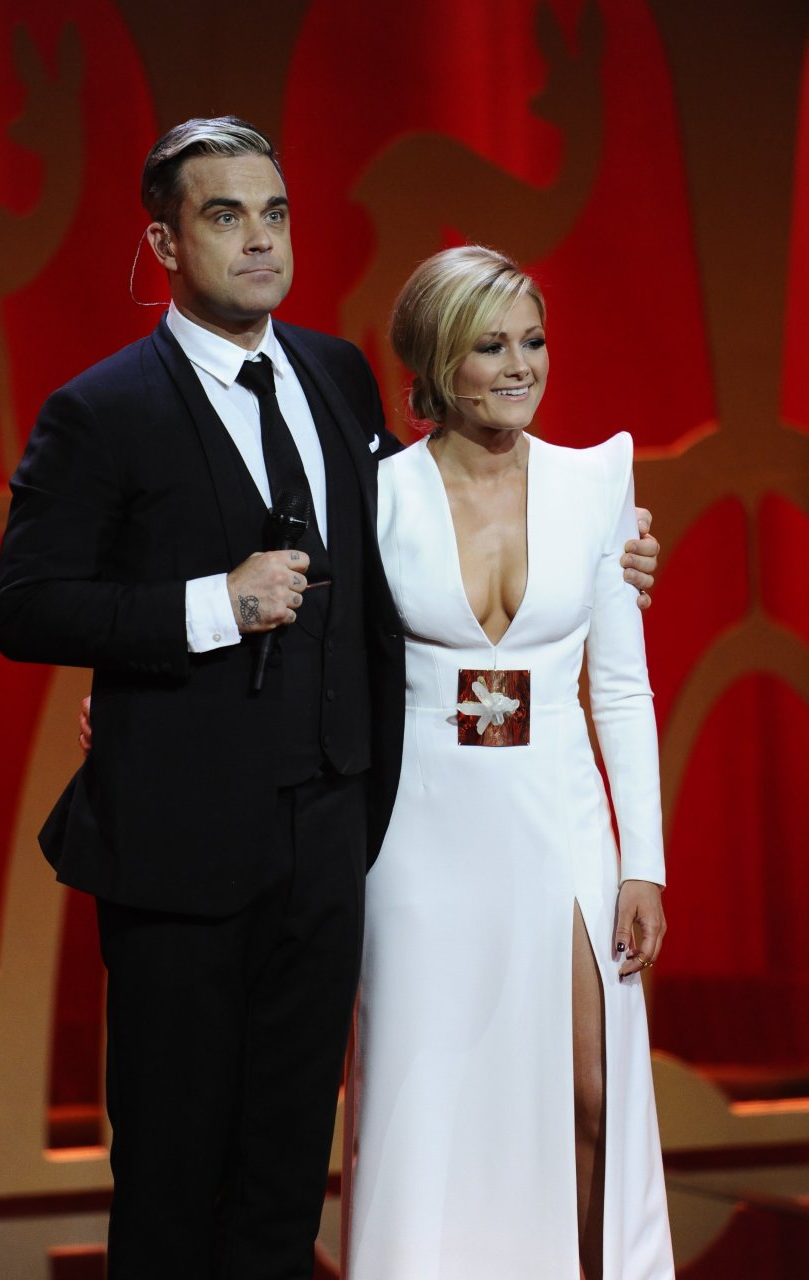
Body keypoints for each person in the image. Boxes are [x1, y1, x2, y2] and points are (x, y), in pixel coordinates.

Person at [0, 116, 659, 1279]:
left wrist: (608, 553)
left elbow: (395, 561)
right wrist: (204, 612)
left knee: (285, 1178)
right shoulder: (101, 409)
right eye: (224, 215)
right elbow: (29, 606)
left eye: (276, 212)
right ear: (164, 242)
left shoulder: (334, 376)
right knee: (174, 1174)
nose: (260, 238)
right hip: (183, 852)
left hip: (332, 847)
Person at [343, 246, 673, 1280]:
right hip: (418, 836)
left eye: (533, 341)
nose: (521, 365)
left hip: (558, 818)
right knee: (424, 1108)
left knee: (593, 1093)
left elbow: (620, 687)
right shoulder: (376, 493)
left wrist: (643, 862)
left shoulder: (595, 482)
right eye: (492, 346)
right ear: (439, 362)